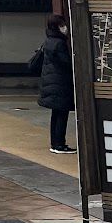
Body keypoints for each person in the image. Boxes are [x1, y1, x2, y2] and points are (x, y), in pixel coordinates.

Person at [35, 12, 77, 154]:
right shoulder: (59, 43)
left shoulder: (48, 41)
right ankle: (59, 144)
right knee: (61, 115)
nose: (65, 28)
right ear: (57, 26)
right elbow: (66, 63)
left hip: (51, 83)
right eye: (62, 25)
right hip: (60, 83)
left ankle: (55, 143)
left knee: (56, 114)